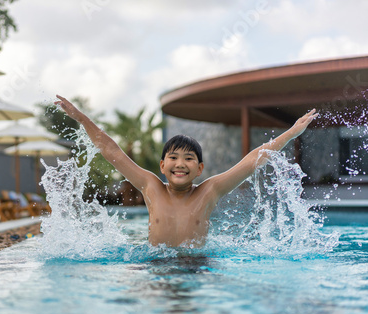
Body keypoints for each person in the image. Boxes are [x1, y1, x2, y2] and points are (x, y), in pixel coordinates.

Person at [55, 95, 317, 247]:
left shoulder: (210, 190)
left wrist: (292, 132)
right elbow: (112, 152)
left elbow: (251, 161)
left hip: (197, 266)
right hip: (157, 264)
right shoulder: (150, 186)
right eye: (173, 157)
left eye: (189, 158)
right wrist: (82, 118)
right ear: (162, 166)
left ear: (199, 168)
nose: (180, 163)